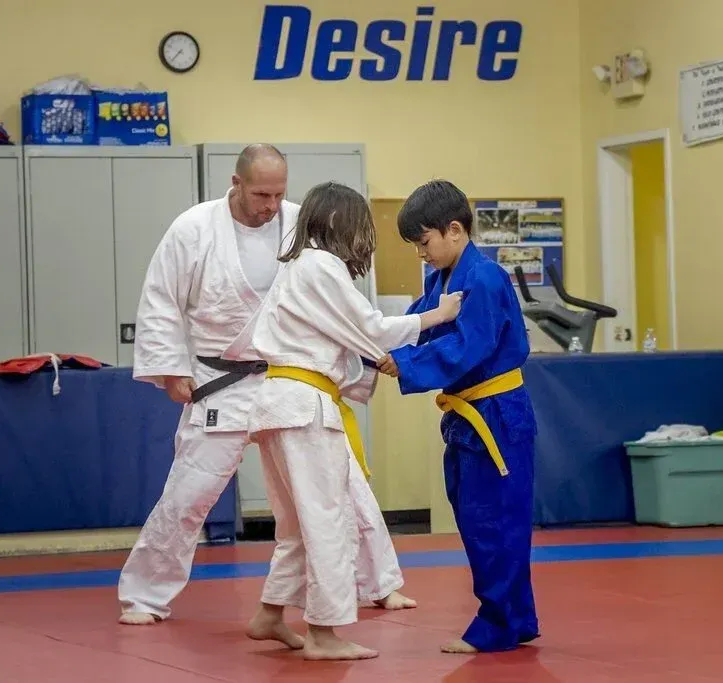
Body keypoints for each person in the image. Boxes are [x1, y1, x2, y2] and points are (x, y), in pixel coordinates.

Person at [118, 145, 415, 643]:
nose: (272, 204)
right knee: (189, 494)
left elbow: (335, 305)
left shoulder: (302, 224)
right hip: (221, 380)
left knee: (341, 486)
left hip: (289, 380)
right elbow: (161, 300)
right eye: (261, 193)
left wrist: (358, 367)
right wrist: (171, 368)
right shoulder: (193, 228)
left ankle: (380, 583)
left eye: (279, 193)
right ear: (236, 182)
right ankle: (144, 596)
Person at [238, 181, 462, 660]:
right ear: (342, 224)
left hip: (279, 402)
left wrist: (375, 361)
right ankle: (323, 631)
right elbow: (372, 328)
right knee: (327, 521)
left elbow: (345, 340)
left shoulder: (295, 266)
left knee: (297, 523)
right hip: (304, 407)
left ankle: (271, 613)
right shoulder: (322, 266)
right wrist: (436, 316)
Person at [377, 179, 539, 654]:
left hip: (498, 414)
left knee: (495, 522)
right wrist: (375, 344)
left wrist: (404, 363)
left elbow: (469, 345)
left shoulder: (485, 278)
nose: (422, 254)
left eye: (424, 243)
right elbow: (419, 325)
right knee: (475, 517)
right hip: (468, 415)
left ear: (454, 230)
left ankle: (497, 624)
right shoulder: (441, 281)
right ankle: (518, 618)